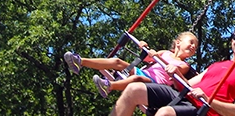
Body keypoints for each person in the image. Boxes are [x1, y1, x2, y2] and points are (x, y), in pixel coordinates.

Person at [110, 23, 235, 116]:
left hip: (203, 110)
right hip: (184, 98)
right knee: (134, 89)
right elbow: (187, 85)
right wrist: (176, 74)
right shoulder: (217, 65)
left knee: (165, 113)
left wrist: (209, 101)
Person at [64, 32, 199, 98]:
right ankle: (80, 61)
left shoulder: (184, 64)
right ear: (178, 43)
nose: (193, 46)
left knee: (137, 80)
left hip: (156, 83)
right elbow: (147, 59)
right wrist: (144, 47)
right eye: (191, 42)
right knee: (118, 62)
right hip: (144, 72)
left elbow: (174, 69)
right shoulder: (165, 52)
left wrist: (157, 57)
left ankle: (109, 86)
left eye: (195, 46)